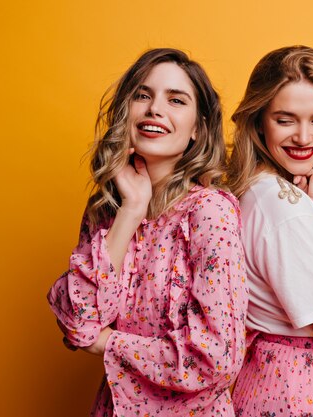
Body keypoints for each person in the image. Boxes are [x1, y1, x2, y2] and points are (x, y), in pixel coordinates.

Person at [47, 48, 248, 416]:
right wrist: (132, 210)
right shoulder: (107, 211)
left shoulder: (210, 212)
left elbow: (217, 358)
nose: (155, 109)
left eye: (176, 100)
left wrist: (111, 344)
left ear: (198, 129)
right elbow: (78, 324)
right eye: (143, 95)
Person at [227, 45, 313, 416]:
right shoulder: (283, 209)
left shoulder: (281, 194)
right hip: (294, 394)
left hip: (279, 385)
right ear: (259, 120)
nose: (305, 137)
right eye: (286, 119)